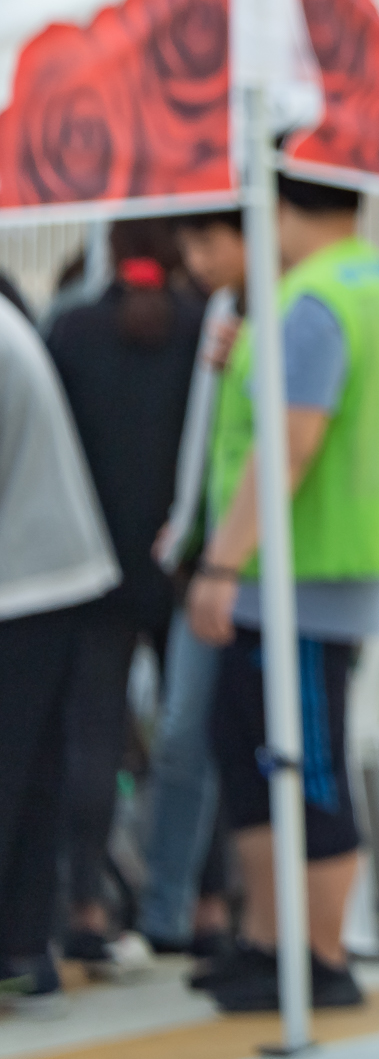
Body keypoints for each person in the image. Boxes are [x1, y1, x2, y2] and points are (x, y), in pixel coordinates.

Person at [184, 175, 379, 1014]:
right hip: (318, 569)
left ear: (279, 208)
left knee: (308, 767)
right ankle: (271, 941)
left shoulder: (313, 301)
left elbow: (289, 446)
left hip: (302, 579)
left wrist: (220, 564)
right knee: (248, 752)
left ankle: (321, 958)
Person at [43, 220, 205, 978]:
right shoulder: (208, 330)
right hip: (186, 563)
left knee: (92, 740)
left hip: (89, 565)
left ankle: (84, 906)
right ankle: (204, 900)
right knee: (196, 737)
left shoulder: (69, 329)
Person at [0, 293, 119, 1002]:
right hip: (47, 575)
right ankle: (22, 949)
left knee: (18, 770)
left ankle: (22, 948)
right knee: (32, 771)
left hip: (24, 581)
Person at [136, 210, 247, 963]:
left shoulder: (290, 312)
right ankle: (169, 909)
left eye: (210, 242)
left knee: (244, 745)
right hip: (207, 556)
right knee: (182, 740)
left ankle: (259, 922)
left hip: (251, 566)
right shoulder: (217, 310)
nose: (197, 259)